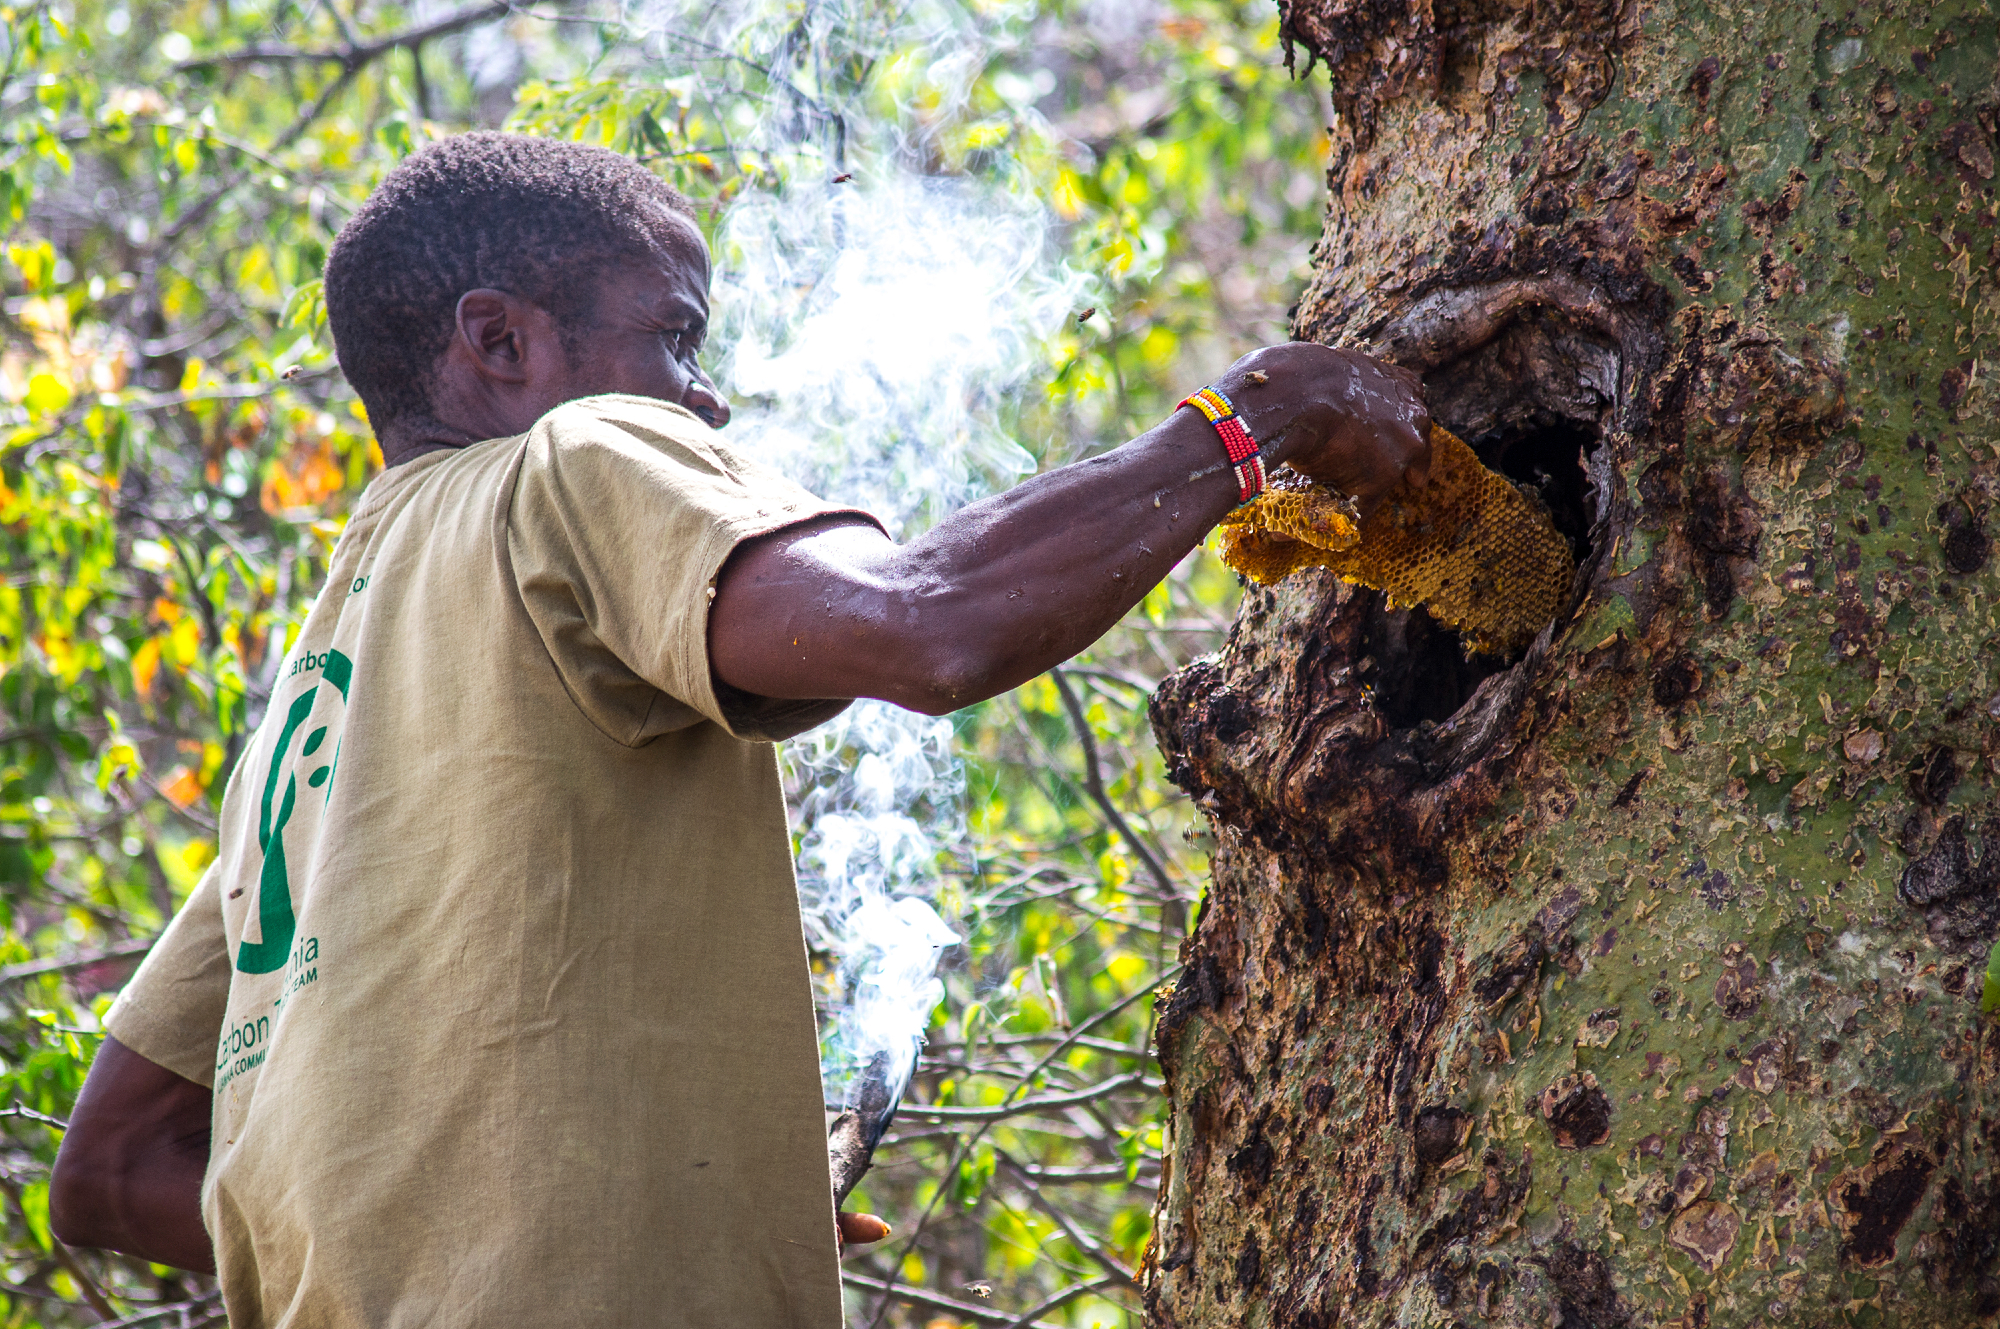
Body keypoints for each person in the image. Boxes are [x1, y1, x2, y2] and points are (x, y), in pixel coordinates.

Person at [48, 132, 1429, 1327]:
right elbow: (930, 621)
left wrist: (625, 1205)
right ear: (502, 342)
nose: (704, 398)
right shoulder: (575, 456)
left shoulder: (310, 703)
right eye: (675, 335)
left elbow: (110, 1170)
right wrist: (1253, 422)